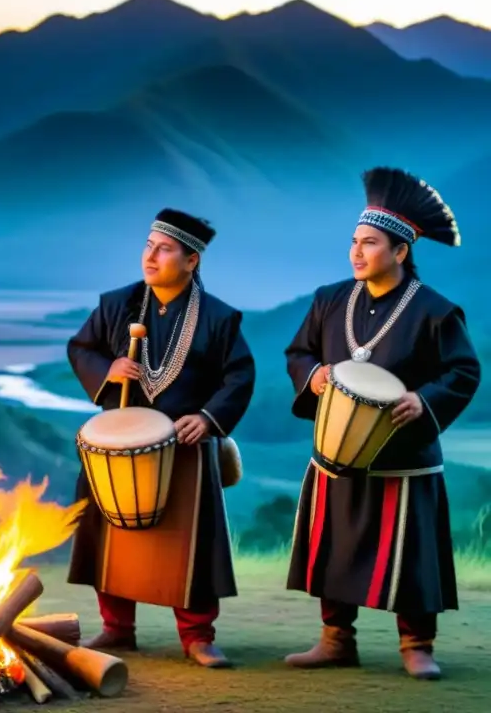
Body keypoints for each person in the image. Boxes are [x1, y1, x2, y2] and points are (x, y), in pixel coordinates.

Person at [283, 167, 481, 680]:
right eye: (353, 241)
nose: (356, 252)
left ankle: (417, 646)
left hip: (404, 456)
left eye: (369, 243)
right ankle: (335, 640)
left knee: (409, 555)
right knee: (335, 546)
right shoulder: (330, 299)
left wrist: (424, 400)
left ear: (400, 251)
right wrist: (315, 374)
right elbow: (298, 352)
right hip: (336, 452)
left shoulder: (435, 311)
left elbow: (464, 371)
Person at [66, 208, 256, 668]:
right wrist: (107, 370)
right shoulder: (118, 304)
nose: (150, 256)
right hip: (117, 445)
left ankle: (197, 636)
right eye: (148, 245)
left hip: (185, 447)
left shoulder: (218, 318)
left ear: (191, 260)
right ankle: (117, 629)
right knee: (111, 541)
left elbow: (240, 376)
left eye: (165, 249)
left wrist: (209, 419)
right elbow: (80, 347)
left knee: (188, 546)